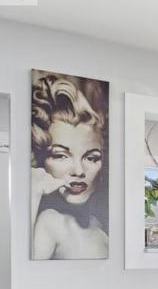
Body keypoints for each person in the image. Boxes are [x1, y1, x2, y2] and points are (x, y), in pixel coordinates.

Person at [30, 74, 109, 259]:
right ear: (42, 160)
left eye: (91, 158)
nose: (79, 172)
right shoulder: (50, 222)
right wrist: (33, 193)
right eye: (60, 156)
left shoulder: (98, 223)